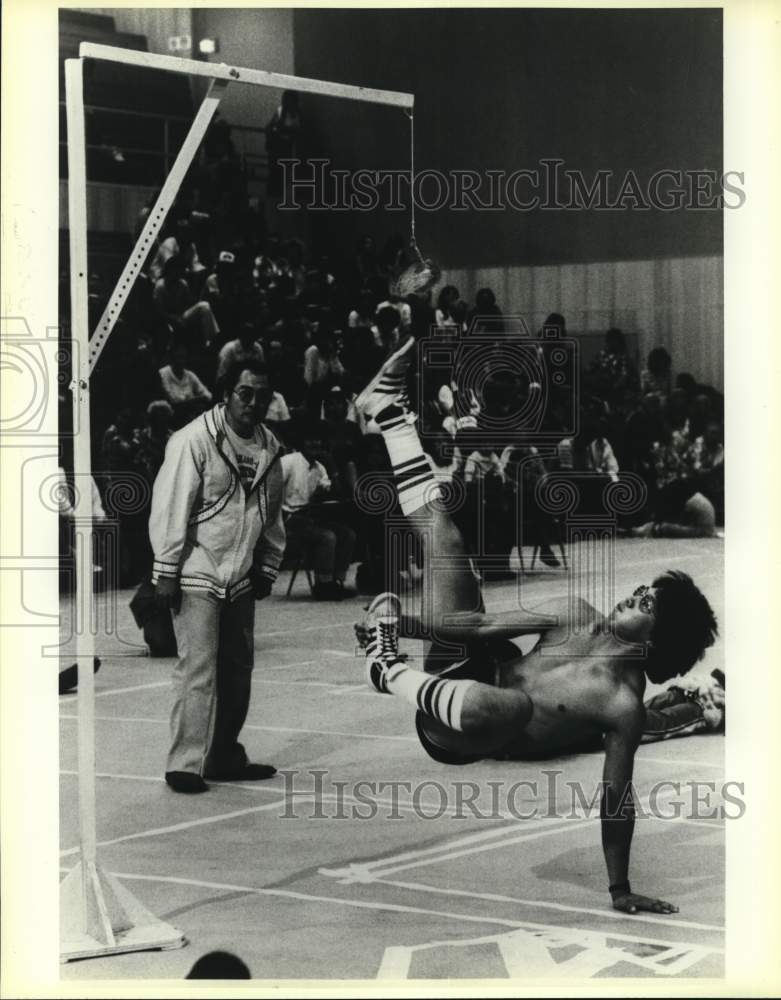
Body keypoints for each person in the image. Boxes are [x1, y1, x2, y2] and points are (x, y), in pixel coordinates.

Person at [351, 336, 718, 915]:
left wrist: (620, 889)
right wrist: (409, 624)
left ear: (658, 638)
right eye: (645, 588)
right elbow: (472, 624)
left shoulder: (624, 705)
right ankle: (388, 412)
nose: (635, 593)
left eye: (648, 602)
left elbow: (615, 796)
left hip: (463, 731)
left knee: (514, 708)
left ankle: (385, 671)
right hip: (462, 672)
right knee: (444, 533)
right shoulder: (575, 612)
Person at [149, 360, 286, 794]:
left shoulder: (269, 447)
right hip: (196, 570)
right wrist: (166, 570)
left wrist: (267, 563)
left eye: (261, 395)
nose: (253, 402)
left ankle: (223, 754)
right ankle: (184, 764)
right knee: (198, 668)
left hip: (240, 573)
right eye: (245, 393)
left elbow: (272, 513)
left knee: (238, 670)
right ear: (226, 393)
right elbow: (172, 506)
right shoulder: (193, 440)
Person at [281, 418, 357, 600]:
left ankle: (335, 582)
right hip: (289, 518)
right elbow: (271, 491)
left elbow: (331, 492)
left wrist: (331, 466)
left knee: (348, 534)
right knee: (327, 537)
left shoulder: (320, 466)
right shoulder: (288, 462)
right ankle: (323, 585)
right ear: (302, 442)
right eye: (310, 440)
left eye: (318, 440)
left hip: (312, 516)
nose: (315, 444)